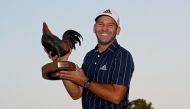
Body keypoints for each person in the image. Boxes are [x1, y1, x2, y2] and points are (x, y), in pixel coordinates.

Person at [47, 9, 134, 109]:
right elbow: (76, 94)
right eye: (100, 24)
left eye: (110, 25)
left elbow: (116, 96)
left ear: (118, 30)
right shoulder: (89, 56)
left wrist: (85, 81)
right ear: (94, 28)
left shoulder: (123, 55)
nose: (104, 28)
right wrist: (62, 64)